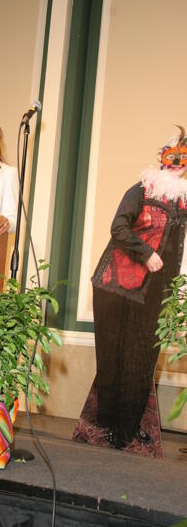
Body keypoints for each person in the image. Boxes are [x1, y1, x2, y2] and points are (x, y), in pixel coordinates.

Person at [90, 125, 187, 450]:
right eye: (171, 155)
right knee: (116, 357)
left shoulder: (183, 201)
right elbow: (118, 226)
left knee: (142, 359)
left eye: (183, 157)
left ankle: (128, 426)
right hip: (118, 286)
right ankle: (112, 424)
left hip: (155, 293)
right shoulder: (141, 190)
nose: (177, 162)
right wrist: (146, 253)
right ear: (161, 158)